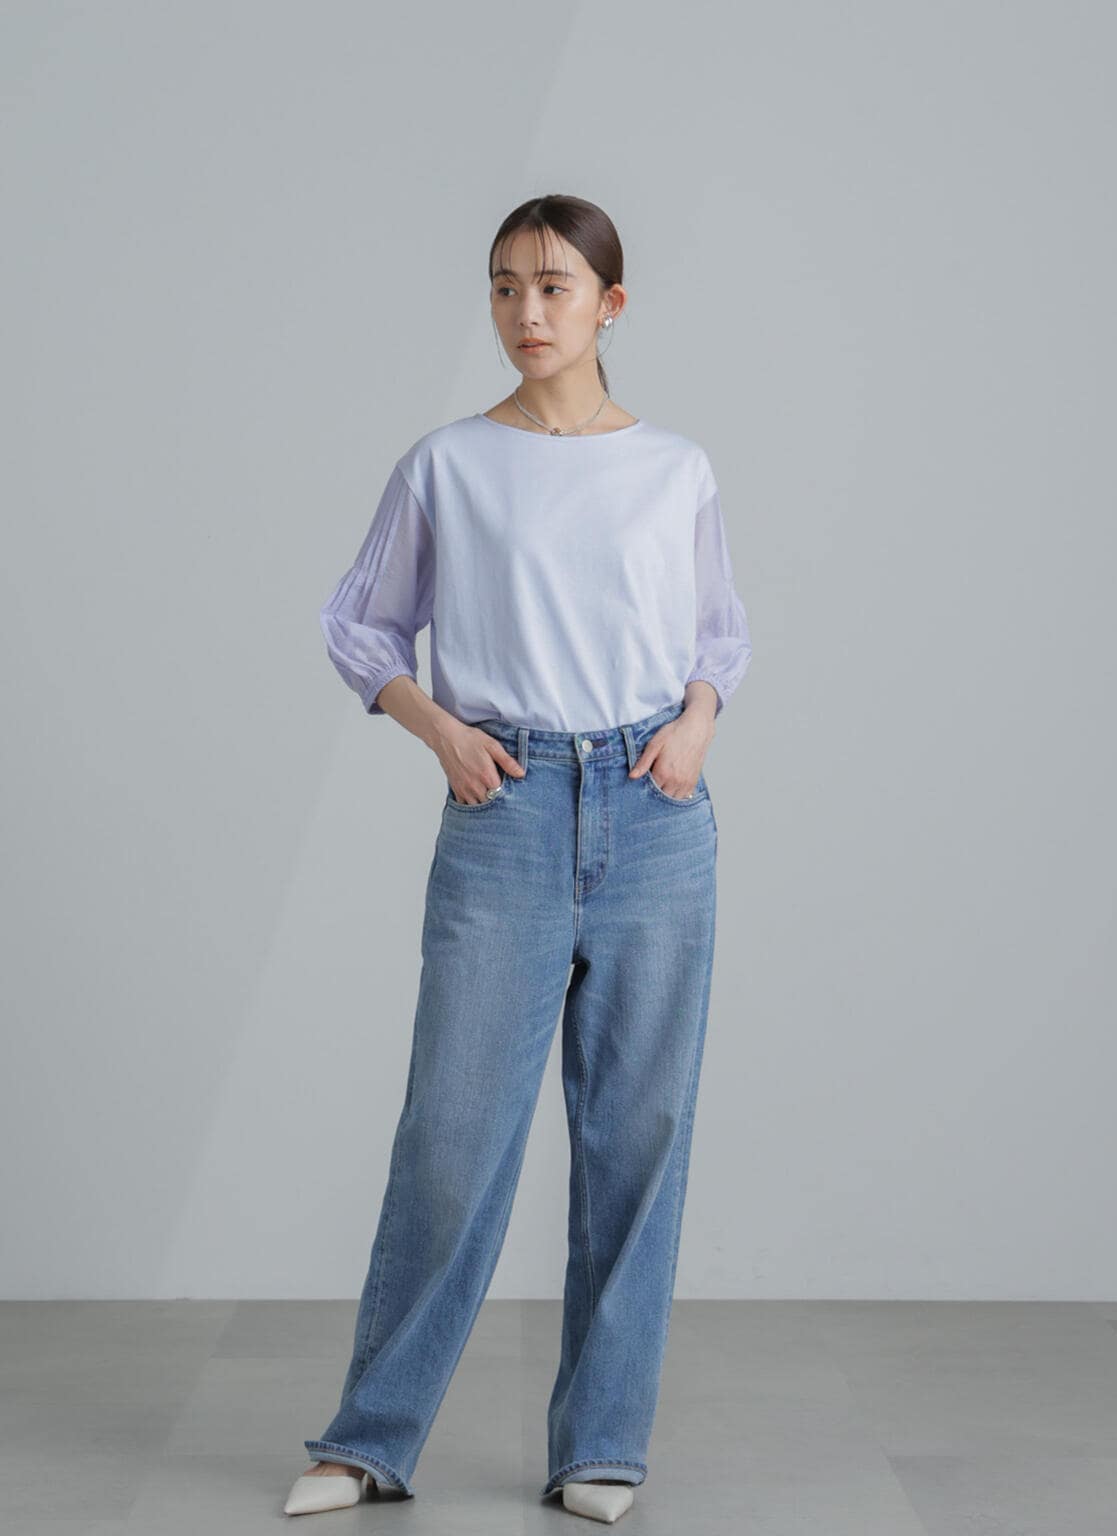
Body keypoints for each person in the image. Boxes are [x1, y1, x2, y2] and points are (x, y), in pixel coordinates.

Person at [284, 194, 751, 1522]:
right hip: (509, 812)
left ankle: (601, 1447)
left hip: (656, 813)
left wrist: (696, 729)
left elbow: (718, 634)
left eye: (553, 286)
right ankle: (368, 1441)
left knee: (637, 1138)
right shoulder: (449, 465)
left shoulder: (676, 468)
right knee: (453, 1135)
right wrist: (440, 731)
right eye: (504, 286)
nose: (525, 311)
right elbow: (360, 625)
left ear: (611, 304)